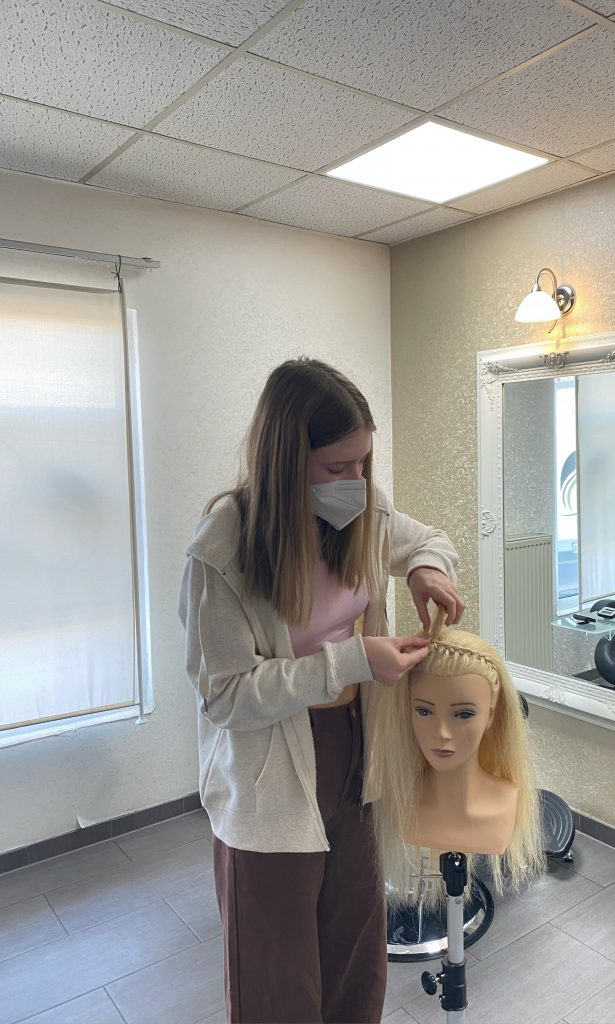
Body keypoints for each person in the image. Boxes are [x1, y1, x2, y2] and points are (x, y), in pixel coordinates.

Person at [178, 357, 464, 1024]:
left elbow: (428, 539)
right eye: (338, 467)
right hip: (269, 778)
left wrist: (425, 568)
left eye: (363, 462)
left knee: (356, 969)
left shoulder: (361, 509)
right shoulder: (221, 551)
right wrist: (352, 661)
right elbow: (226, 696)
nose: (356, 482)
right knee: (278, 991)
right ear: (285, 462)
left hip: (355, 760)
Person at [372, 611, 544, 910]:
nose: (442, 733)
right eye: (424, 711)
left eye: (463, 714)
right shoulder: (399, 803)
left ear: (490, 715)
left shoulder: (506, 802)